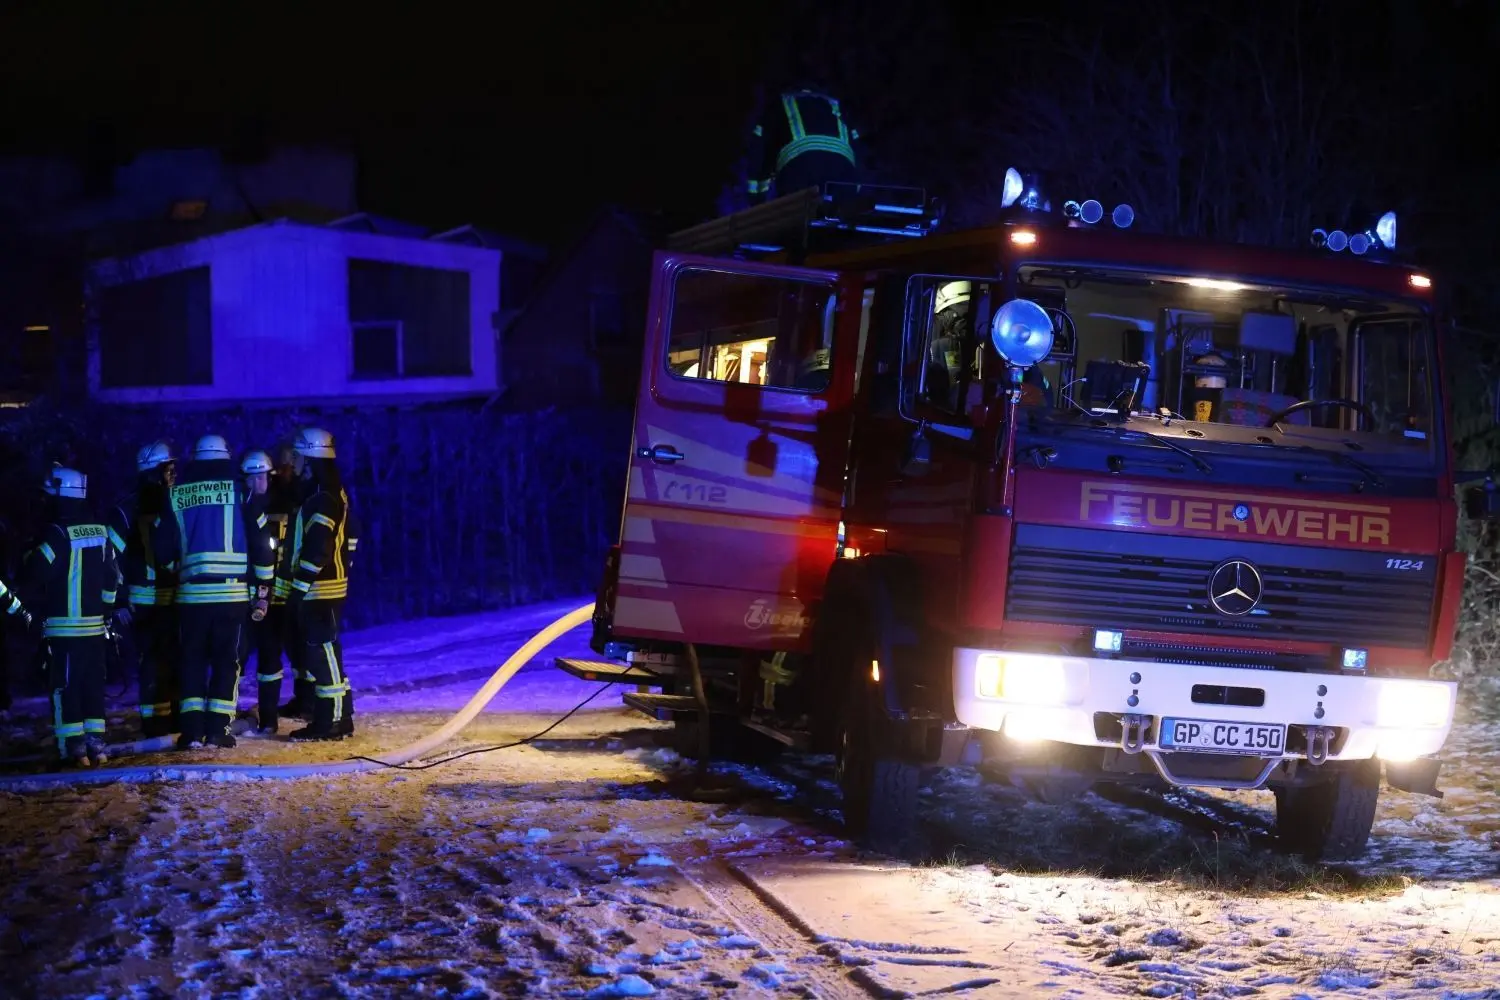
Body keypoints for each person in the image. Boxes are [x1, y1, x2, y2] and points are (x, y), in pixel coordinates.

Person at [154, 435, 274, 750]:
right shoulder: (242, 493)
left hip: (191, 597)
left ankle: (192, 730)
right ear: (226, 458)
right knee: (227, 661)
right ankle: (219, 729)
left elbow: (162, 552)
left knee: (191, 660)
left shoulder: (175, 496)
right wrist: (263, 590)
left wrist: (180, 567)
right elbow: (263, 546)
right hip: (232, 596)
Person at [19, 467, 120, 767]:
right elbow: (112, 579)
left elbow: (35, 572)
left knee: (65, 688)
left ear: (61, 496)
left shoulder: (57, 533)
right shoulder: (100, 531)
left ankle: (73, 750)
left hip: (63, 629)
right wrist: (106, 613)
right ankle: (96, 746)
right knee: (92, 686)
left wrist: (26, 556)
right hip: (94, 629)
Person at [284, 427, 359, 741]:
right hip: (330, 585)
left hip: (319, 589)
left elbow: (318, 549)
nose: (295, 462)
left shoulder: (320, 497)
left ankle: (330, 721)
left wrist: (298, 587)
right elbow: (350, 539)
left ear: (311, 457)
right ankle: (339, 716)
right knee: (327, 652)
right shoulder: (334, 491)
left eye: (299, 455)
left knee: (321, 651)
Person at [107, 440, 180, 738]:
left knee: (174, 659)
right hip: (142, 601)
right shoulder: (125, 510)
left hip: (175, 597)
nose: (173, 474)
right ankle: (153, 722)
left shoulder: (175, 501)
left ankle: (172, 717)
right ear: (152, 472)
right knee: (151, 662)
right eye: (167, 469)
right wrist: (119, 600)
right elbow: (110, 557)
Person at [239, 449, 291, 735]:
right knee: (237, 657)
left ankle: (269, 718)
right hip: (247, 594)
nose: (259, 482)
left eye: (263, 477)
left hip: (271, 596)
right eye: (254, 477)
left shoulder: (272, 506)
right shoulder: (244, 507)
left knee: (269, 659)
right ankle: (230, 716)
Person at [745, 88, 859, 203]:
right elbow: (859, 150)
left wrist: (757, 200)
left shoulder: (777, 105)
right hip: (844, 170)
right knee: (840, 215)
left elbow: (758, 157)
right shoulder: (836, 104)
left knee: (798, 215)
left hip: (800, 169)